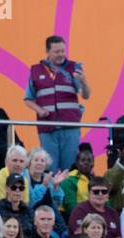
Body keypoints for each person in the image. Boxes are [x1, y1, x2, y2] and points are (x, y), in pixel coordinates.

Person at [25, 35, 91, 173]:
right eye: (56, 51)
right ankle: (51, 188)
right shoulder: (36, 70)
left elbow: (85, 95)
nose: (61, 54)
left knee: (71, 168)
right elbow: (28, 99)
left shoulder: (74, 68)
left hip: (70, 127)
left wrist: (84, 81)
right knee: (49, 168)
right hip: (47, 127)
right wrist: (39, 110)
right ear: (48, 52)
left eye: (63, 51)